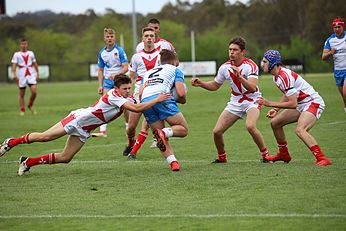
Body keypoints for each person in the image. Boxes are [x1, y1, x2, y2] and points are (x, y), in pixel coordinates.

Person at [0, 75, 170, 176]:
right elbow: (136, 107)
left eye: (129, 88)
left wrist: (144, 91)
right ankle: (11, 142)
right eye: (125, 88)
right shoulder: (113, 95)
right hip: (77, 119)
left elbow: (137, 101)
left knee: (65, 158)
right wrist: (156, 99)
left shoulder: (125, 97)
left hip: (85, 129)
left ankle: (27, 163)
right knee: (46, 137)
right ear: (117, 88)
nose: (128, 91)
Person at [191, 37, 270, 163]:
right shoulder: (224, 67)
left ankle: (266, 155)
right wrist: (201, 83)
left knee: (250, 126)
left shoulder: (251, 66)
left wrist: (239, 77)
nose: (231, 52)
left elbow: (253, 88)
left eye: (235, 50)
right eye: (230, 49)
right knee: (217, 132)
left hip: (252, 100)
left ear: (243, 52)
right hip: (235, 102)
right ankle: (222, 158)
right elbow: (215, 85)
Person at [257, 50, 332, 166]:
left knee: (300, 129)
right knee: (275, 123)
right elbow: (288, 94)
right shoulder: (276, 76)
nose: (262, 64)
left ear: (272, 63)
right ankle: (283, 154)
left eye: (265, 61)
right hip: (302, 103)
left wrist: (270, 103)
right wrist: (276, 109)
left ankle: (322, 158)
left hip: (313, 102)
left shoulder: (283, 76)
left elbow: (293, 104)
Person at [139, 49, 188, 171]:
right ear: (175, 61)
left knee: (159, 136)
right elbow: (181, 93)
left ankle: (173, 163)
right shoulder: (176, 70)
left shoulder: (148, 73)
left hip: (145, 101)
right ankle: (164, 133)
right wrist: (182, 100)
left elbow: (140, 93)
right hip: (162, 98)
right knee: (183, 129)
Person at [122, 27, 162, 159]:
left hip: (153, 94)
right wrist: (127, 91)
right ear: (142, 39)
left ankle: (133, 152)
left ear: (155, 38)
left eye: (152, 35)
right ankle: (130, 143)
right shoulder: (136, 57)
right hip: (138, 95)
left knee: (148, 125)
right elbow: (131, 77)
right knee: (131, 127)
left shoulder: (161, 55)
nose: (149, 38)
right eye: (147, 36)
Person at [91, 28, 129, 137]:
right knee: (103, 104)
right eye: (107, 37)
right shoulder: (102, 53)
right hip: (107, 82)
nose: (110, 38)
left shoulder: (119, 51)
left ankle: (128, 127)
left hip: (120, 81)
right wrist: (100, 85)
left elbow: (126, 67)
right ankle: (102, 131)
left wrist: (117, 74)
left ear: (114, 38)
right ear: (104, 38)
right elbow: (100, 70)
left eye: (111, 36)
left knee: (125, 106)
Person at [322, 17, 346, 113]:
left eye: (339, 27)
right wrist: (330, 53)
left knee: (345, 93)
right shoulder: (330, 40)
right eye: (335, 27)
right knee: (344, 98)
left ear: (343, 27)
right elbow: (323, 57)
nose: (337, 29)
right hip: (338, 71)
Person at [11, 38, 40, 116]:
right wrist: (14, 74)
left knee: (34, 92)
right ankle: (22, 109)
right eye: (22, 44)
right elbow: (14, 65)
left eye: (25, 44)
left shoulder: (31, 53)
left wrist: (38, 73)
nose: (24, 45)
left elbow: (35, 63)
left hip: (31, 75)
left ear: (27, 45)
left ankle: (30, 105)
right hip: (22, 76)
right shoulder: (16, 54)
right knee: (21, 94)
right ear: (20, 45)